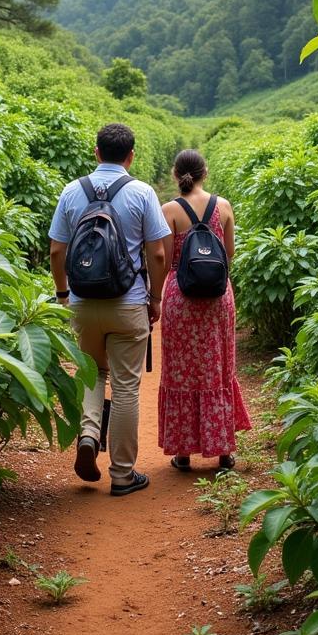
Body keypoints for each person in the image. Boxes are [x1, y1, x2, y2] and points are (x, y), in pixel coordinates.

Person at [48, 123, 171, 497]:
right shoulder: (142, 192)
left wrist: (64, 295)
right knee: (127, 386)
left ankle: (87, 435)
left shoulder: (72, 191)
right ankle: (121, 474)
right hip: (128, 303)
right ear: (131, 156)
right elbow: (159, 252)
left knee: (92, 373)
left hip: (84, 303)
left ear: (96, 152)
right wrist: (156, 298)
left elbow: (56, 251)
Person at [158, 149, 251, 470]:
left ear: (175, 174)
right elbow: (229, 254)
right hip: (217, 297)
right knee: (218, 367)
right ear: (205, 173)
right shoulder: (223, 206)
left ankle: (182, 453)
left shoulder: (169, 210)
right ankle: (223, 451)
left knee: (180, 369)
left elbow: (169, 261)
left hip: (180, 298)